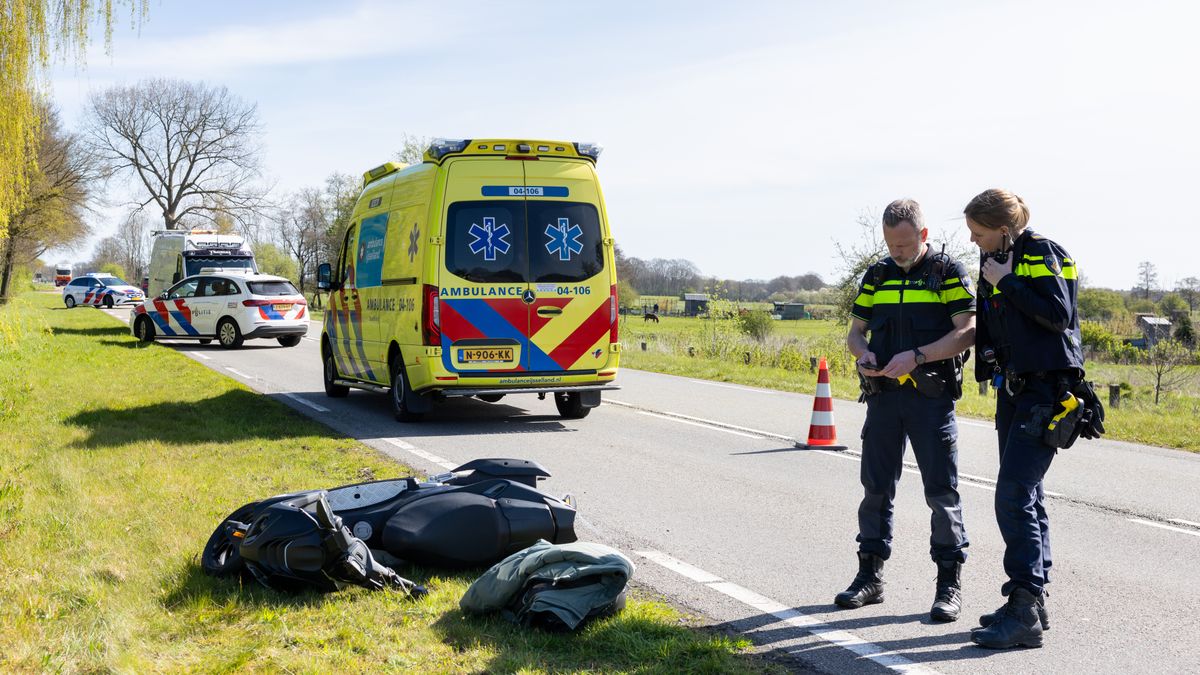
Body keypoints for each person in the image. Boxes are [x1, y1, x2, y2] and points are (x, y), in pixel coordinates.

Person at [964, 188, 1100, 649]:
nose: (974, 241)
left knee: (1013, 494)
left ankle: (1024, 609)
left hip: (1045, 390)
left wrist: (1007, 282)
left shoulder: (1040, 252)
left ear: (1003, 229)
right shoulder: (997, 259)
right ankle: (1030, 602)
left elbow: (1058, 315)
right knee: (1029, 493)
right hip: (1016, 389)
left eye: (979, 233)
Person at [838, 199, 976, 622]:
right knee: (876, 488)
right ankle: (870, 578)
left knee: (941, 493)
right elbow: (855, 333)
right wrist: (862, 355)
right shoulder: (876, 274)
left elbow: (968, 330)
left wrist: (918, 356)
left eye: (904, 243)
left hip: (930, 401)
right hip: (883, 397)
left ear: (924, 235)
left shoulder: (946, 272)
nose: (897, 251)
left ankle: (948, 586)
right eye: (890, 243)